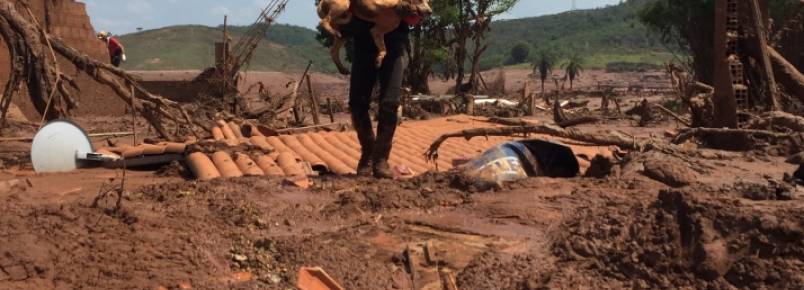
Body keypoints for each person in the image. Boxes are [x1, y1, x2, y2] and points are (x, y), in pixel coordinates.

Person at [346, 15, 421, 178]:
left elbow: (414, 18)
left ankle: (380, 159)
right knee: (356, 103)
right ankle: (368, 153)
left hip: (393, 48)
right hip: (363, 46)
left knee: (390, 103)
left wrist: (411, 12)